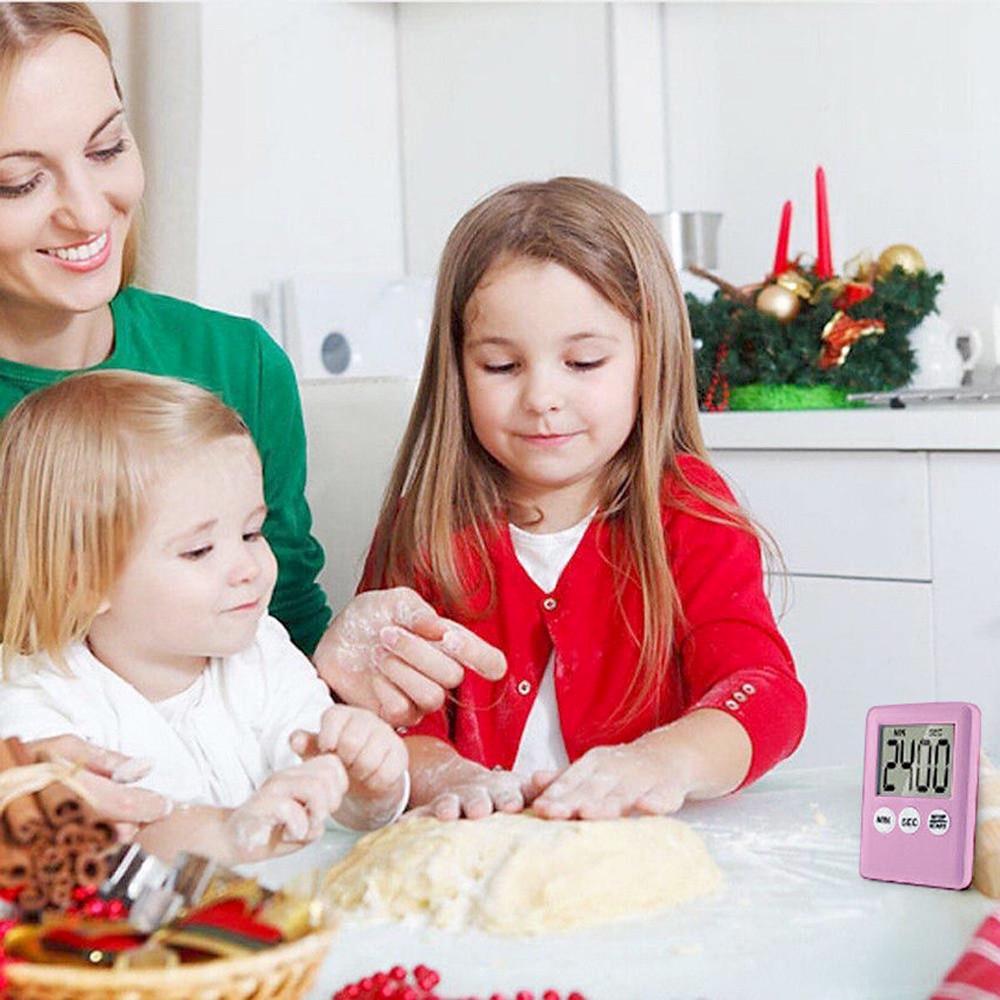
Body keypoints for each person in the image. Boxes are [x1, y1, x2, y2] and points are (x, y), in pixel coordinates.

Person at [0, 1, 505, 821]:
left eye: (107, 147)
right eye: (19, 181)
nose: (89, 213)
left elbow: (284, 625)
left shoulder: (237, 365)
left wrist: (338, 670)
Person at [362, 177, 808, 821]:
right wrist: (447, 777)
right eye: (501, 367)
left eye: (584, 362)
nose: (542, 397)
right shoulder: (424, 526)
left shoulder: (686, 510)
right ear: (457, 370)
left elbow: (765, 696)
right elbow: (389, 727)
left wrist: (662, 762)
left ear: (648, 359)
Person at [0, 371, 409, 863]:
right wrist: (230, 832)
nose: (247, 568)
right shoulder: (35, 700)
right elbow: (103, 846)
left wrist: (368, 785)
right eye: (199, 550)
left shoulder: (263, 653)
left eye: (253, 533)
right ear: (83, 582)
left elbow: (326, 792)